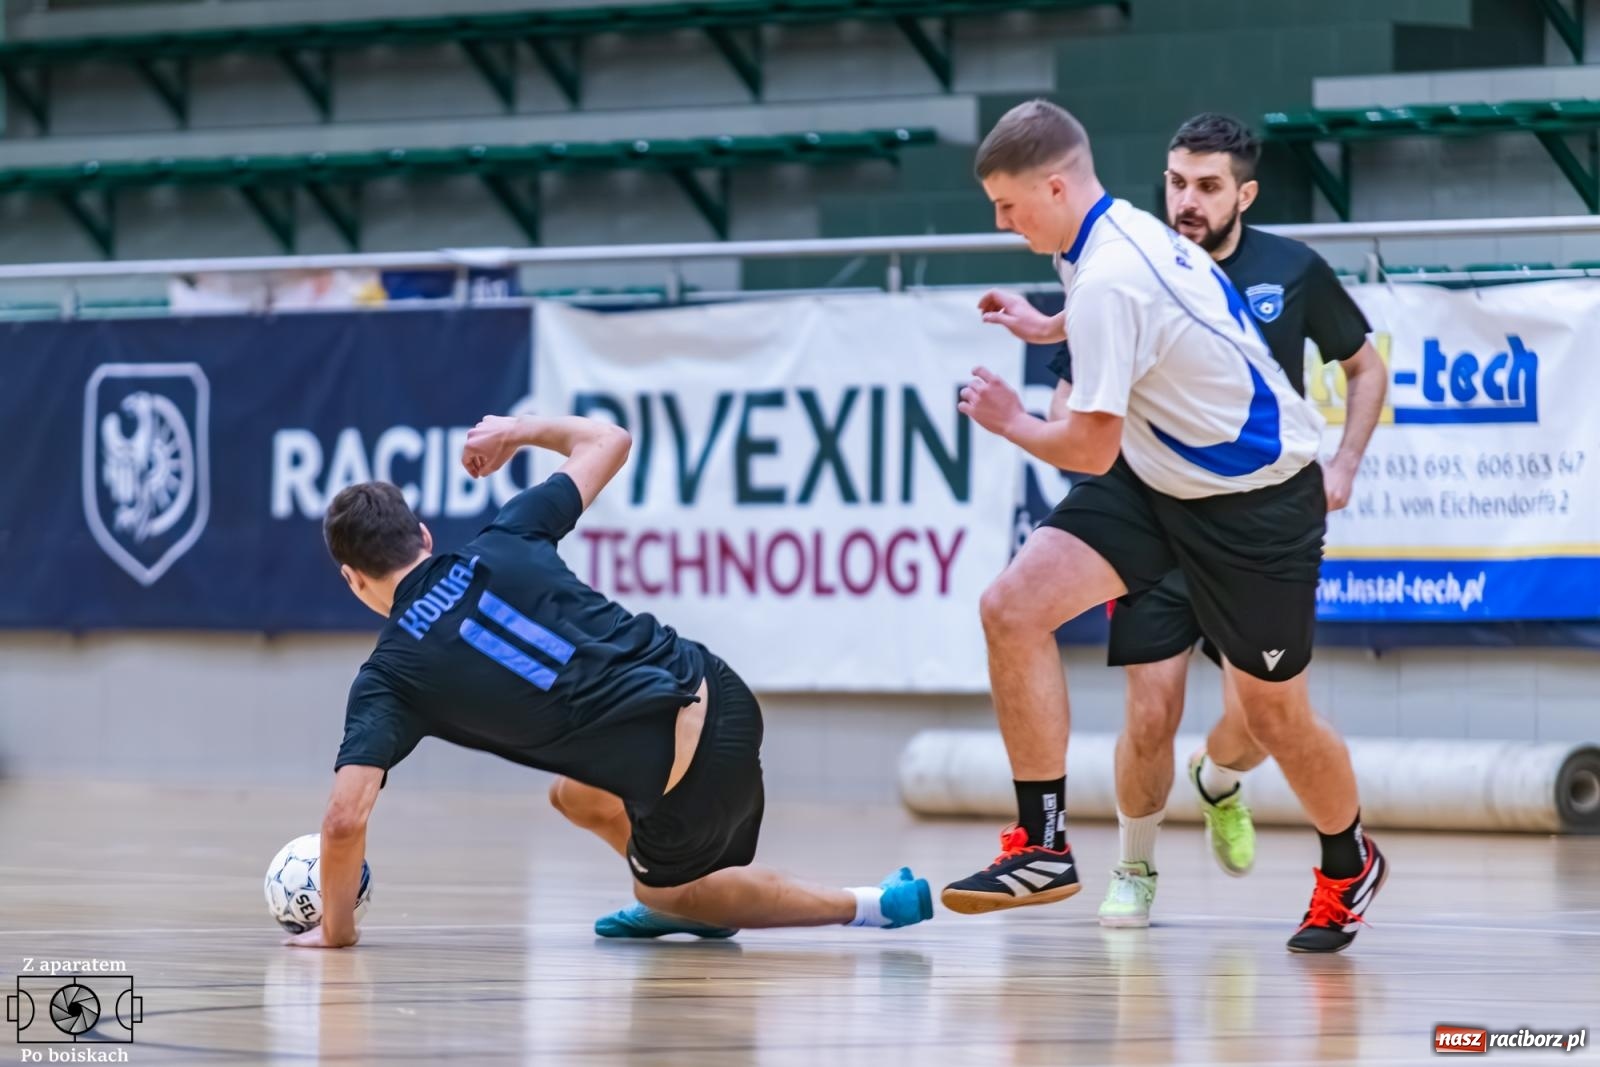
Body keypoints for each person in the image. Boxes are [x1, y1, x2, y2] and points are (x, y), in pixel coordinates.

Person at [942, 99, 1387, 953]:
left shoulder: (1111, 273)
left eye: (1008, 204)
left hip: (1257, 504)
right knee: (1012, 607)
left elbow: (1083, 440)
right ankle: (1043, 845)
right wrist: (1051, 325)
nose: (1000, 221)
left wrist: (1006, 420)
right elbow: (1130, 311)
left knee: (1274, 721)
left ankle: (1347, 859)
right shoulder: (1116, 235)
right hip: (1158, 480)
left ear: (1056, 185)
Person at [285, 412, 933, 950]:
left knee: (662, 890)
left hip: (687, 769)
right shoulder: (506, 533)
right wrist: (514, 430)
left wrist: (336, 934)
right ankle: (682, 885)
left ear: (352, 578)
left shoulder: (390, 675)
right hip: (722, 688)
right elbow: (610, 440)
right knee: (576, 796)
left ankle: (864, 903)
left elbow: (344, 820)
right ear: (423, 534)